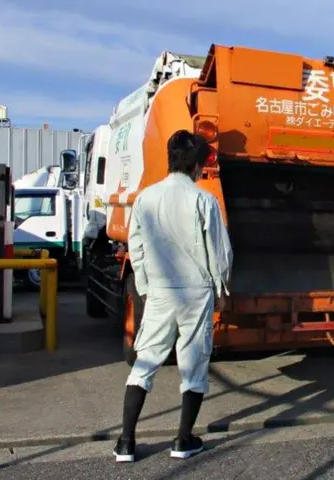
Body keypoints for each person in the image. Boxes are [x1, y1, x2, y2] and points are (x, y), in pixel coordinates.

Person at [113, 129, 233, 462]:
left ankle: (126, 443)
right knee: (193, 365)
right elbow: (219, 253)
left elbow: (136, 248)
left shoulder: (146, 198)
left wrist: (148, 286)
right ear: (196, 166)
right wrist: (221, 288)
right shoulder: (204, 200)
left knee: (145, 361)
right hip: (196, 291)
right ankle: (183, 441)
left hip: (162, 291)